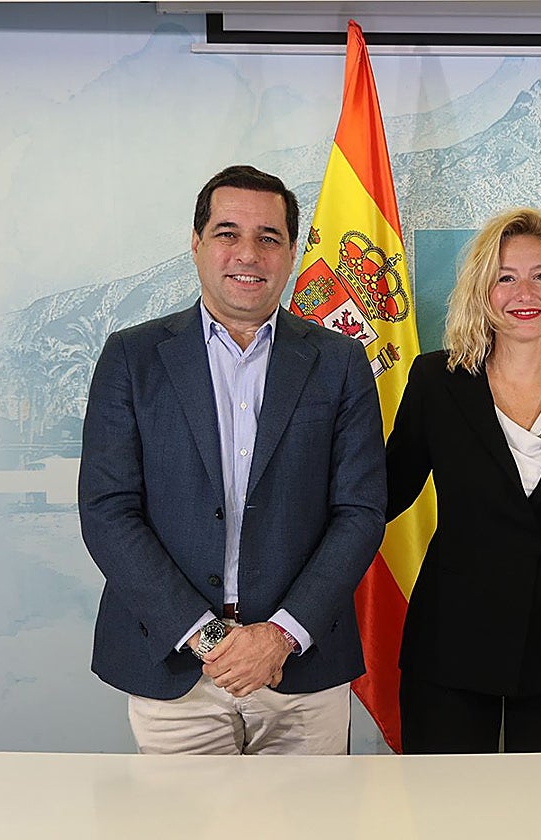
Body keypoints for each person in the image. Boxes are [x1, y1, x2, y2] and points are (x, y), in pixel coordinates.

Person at [78, 165, 386, 754]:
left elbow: (360, 511)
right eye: (228, 233)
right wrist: (208, 638)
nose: (248, 253)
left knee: (313, 811)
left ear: (291, 253)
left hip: (301, 664)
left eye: (269, 237)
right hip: (175, 664)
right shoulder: (132, 357)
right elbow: (108, 511)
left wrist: (279, 636)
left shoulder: (341, 361)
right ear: (196, 243)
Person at [386, 207, 541, 754]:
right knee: (447, 799)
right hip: (454, 634)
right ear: (482, 291)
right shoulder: (436, 381)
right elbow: (384, 493)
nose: (525, 293)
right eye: (505, 277)